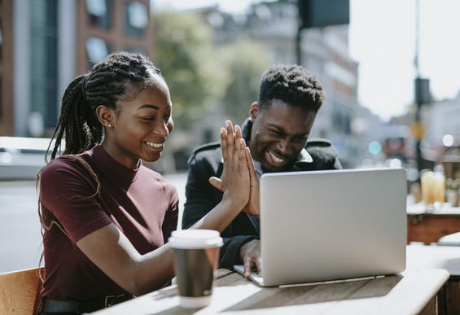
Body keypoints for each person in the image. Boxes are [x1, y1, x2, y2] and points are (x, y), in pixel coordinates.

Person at [37, 51, 254, 314]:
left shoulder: (165, 191)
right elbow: (137, 277)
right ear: (107, 117)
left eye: (167, 115)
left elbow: (162, 283)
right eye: (148, 117)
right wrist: (231, 203)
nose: (163, 130)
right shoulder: (65, 176)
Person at [182, 64, 341, 277]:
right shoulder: (207, 166)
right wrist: (243, 246)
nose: (285, 148)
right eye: (276, 132)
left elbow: (338, 235)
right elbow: (190, 242)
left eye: (299, 138)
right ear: (255, 113)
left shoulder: (323, 163)